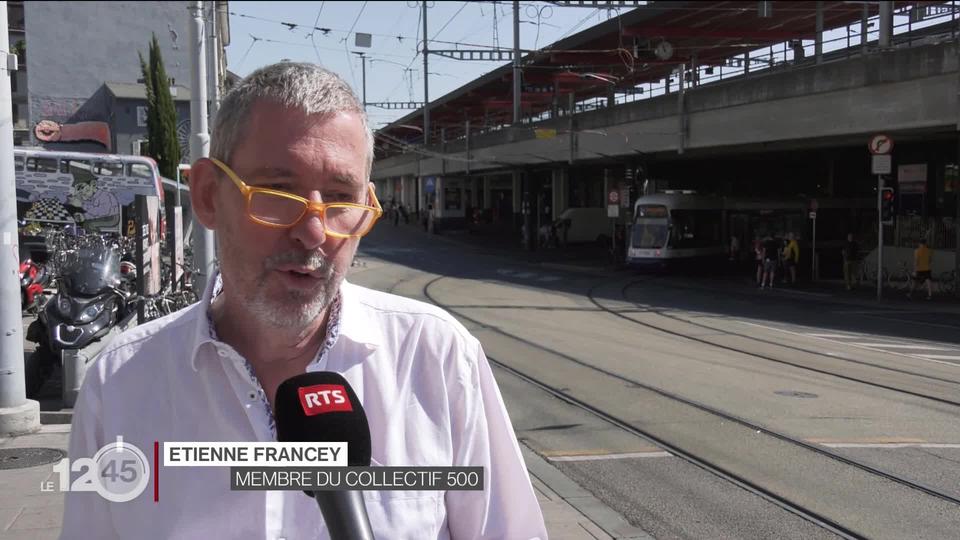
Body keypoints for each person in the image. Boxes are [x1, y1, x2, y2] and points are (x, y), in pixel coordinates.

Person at [61, 63, 546, 540]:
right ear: (208, 195)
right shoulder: (121, 384)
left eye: (340, 198)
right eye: (277, 192)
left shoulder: (436, 357)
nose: (314, 230)